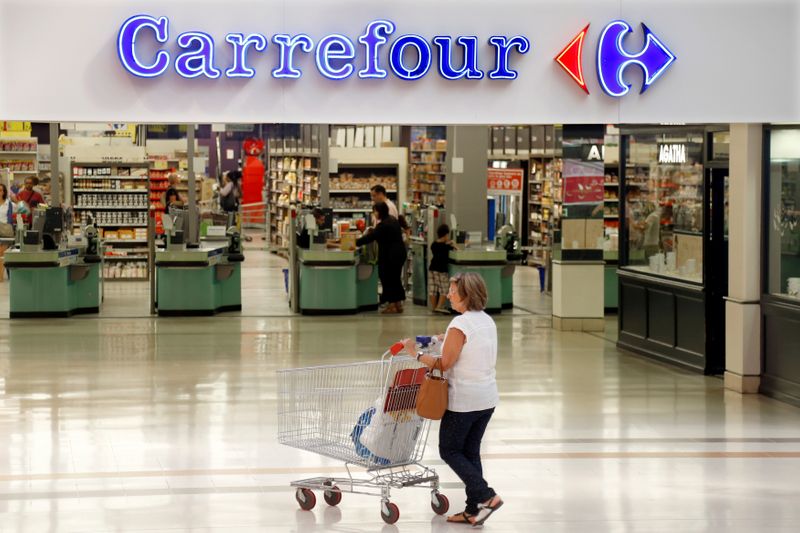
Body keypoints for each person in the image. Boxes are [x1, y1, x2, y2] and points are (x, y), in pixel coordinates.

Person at [403, 272, 502, 526]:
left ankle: (486, 496)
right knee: (470, 452)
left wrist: (414, 354)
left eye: (453, 291)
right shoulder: (486, 320)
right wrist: (444, 338)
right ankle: (473, 510)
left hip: (465, 401)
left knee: (449, 449)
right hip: (487, 397)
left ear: (466, 295)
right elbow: (468, 343)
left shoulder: (459, 324)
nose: (448, 294)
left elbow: (444, 364)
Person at [356, 201, 407, 314]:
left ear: (379, 212)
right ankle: (398, 304)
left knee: (387, 278)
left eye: (374, 211)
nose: (374, 214)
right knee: (395, 278)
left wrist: (355, 242)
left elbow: (371, 237)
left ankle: (392, 305)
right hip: (399, 253)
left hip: (390, 255)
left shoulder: (383, 224)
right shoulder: (392, 220)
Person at [429, 223, 456, 313]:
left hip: (432, 268)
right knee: (444, 289)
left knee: (433, 289)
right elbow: (457, 251)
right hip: (441, 270)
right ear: (446, 235)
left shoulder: (433, 244)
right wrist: (453, 244)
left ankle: (434, 307)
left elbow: (439, 246)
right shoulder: (447, 247)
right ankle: (439, 306)